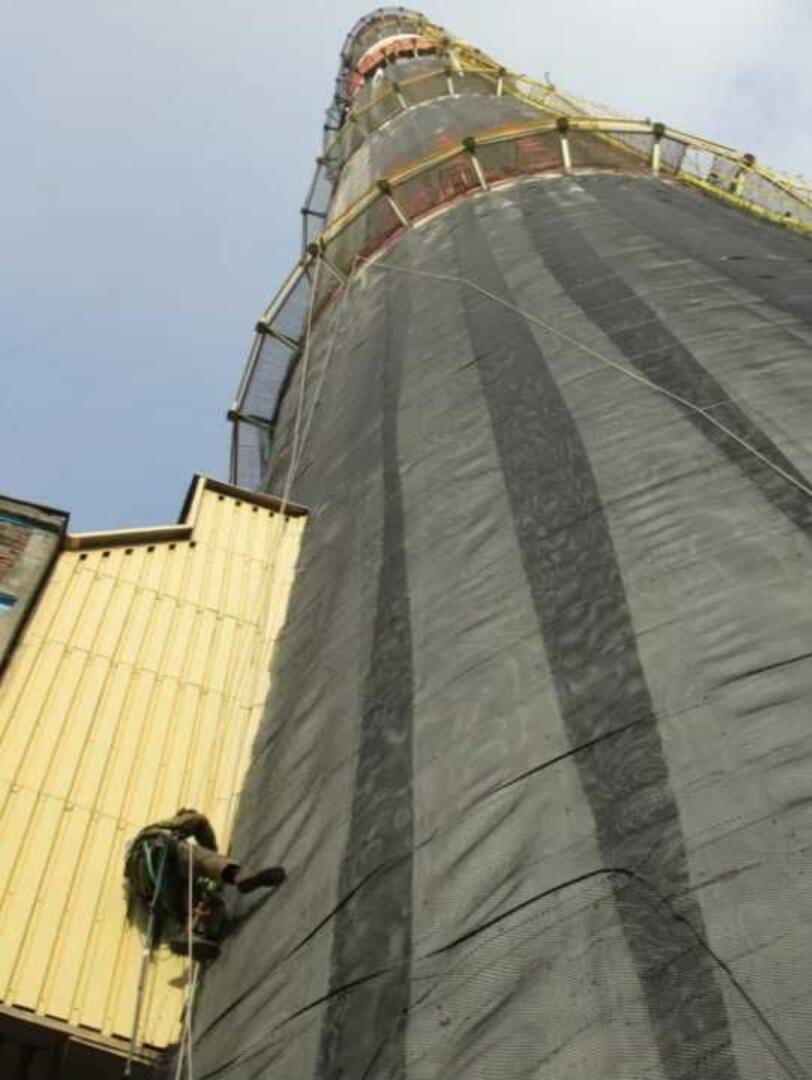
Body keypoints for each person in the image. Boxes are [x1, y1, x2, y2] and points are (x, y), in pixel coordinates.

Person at [125, 808, 285, 960]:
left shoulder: (133, 877)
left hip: (154, 887)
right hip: (161, 850)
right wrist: (212, 853)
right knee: (198, 857)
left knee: (188, 897)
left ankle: (189, 932)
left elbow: (154, 904)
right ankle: (238, 874)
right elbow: (199, 822)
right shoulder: (159, 830)